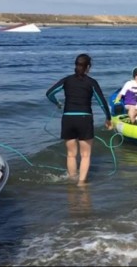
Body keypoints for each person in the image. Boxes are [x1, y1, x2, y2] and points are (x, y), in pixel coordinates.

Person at [46, 53, 113, 187]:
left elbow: (50, 93)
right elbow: (101, 101)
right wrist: (108, 118)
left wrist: (57, 103)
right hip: (84, 118)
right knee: (85, 155)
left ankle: (72, 180)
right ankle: (81, 183)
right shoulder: (91, 82)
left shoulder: (67, 80)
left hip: (68, 118)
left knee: (71, 154)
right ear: (88, 67)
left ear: (75, 66)